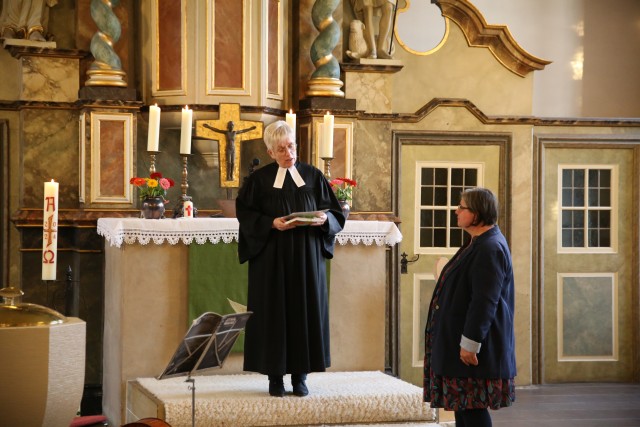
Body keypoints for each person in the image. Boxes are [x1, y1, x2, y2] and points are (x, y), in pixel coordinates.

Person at [236, 120, 345, 397]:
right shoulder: (259, 181)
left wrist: (324, 219)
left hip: (307, 260)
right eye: (282, 149)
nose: (289, 153)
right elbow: (245, 215)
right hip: (271, 261)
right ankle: (275, 377)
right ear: (270, 152)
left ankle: (300, 377)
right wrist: (271, 223)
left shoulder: (313, 176)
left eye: (292, 146)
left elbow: (335, 213)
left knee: (304, 312)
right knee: (273, 314)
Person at [423, 188, 516, 427]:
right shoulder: (478, 242)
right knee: (463, 408)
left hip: (473, 349)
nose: (456, 211)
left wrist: (470, 343)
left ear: (477, 213)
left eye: (462, 207)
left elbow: (485, 301)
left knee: (472, 410)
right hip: (461, 343)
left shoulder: (490, 248)